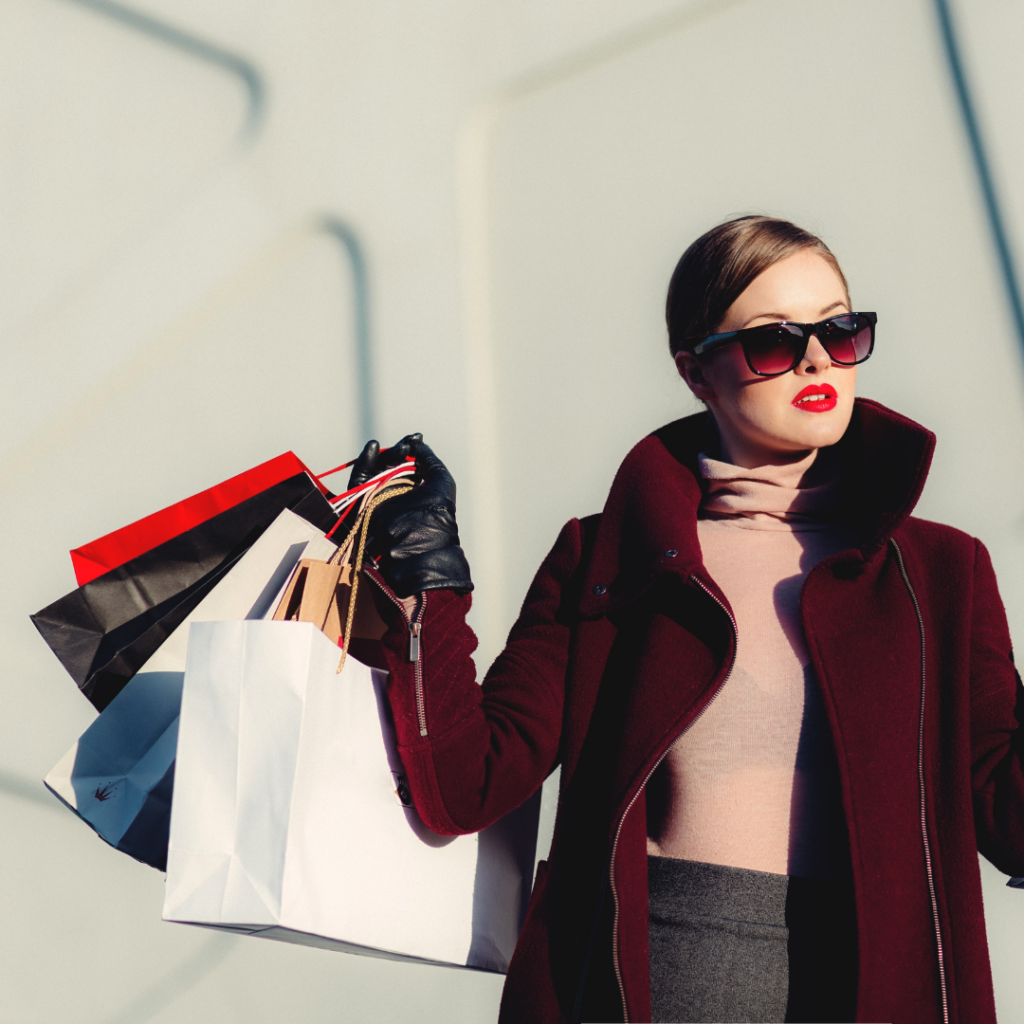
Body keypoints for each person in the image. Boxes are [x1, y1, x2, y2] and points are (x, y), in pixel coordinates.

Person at [351, 216, 1024, 1023]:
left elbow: (1011, 822)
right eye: (773, 342)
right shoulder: (609, 558)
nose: (816, 359)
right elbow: (466, 788)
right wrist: (428, 583)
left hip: (876, 990)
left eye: (841, 331)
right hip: (651, 987)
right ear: (696, 372)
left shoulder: (941, 573)